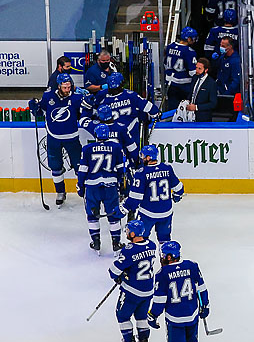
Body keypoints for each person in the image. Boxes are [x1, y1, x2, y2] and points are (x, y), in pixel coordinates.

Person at [148, 241, 209, 342]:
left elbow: (160, 300)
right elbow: (201, 288)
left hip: (175, 318)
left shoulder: (162, 274)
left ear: (169, 256)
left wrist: (152, 315)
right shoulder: (192, 266)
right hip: (192, 314)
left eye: (163, 255)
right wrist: (205, 305)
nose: (162, 258)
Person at [28, 73, 83, 206]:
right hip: (54, 138)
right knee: (55, 167)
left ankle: (84, 190)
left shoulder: (77, 97)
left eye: (69, 87)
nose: (67, 90)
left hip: (72, 138)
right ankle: (60, 191)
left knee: (80, 166)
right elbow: (40, 112)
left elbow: (84, 114)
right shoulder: (48, 96)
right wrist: (34, 107)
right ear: (59, 86)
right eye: (64, 87)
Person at [108, 220, 157, 342]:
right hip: (148, 290)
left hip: (132, 291)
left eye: (128, 231)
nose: (127, 233)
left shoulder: (129, 250)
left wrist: (120, 276)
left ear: (134, 233)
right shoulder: (152, 245)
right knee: (141, 317)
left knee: (122, 316)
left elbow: (113, 271)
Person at [76, 123, 126, 253]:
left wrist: (80, 185)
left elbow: (83, 169)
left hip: (92, 188)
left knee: (92, 215)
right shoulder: (116, 147)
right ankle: (116, 243)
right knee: (114, 215)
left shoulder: (87, 148)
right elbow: (121, 169)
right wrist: (121, 184)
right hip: (110, 187)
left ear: (96, 135)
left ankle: (96, 242)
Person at [122, 145, 183, 242]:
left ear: (148, 157)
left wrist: (124, 208)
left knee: (141, 238)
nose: (142, 158)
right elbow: (179, 188)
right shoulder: (167, 168)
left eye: (143, 156)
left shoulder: (141, 173)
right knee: (164, 240)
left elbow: (135, 198)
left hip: (147, 213)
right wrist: (177, 196)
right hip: (166, 213)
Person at [82, 71, 159, 148]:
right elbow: (149, 107)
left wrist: (87, 109)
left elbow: (92, 113)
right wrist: (156, 115)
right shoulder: (131, 95)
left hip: (111, 132)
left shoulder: (102, 95)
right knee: (131, 150)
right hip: (128, 131)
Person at [164, 27, 198, 109]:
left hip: (170, 82)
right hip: (183, 85)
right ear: (188, 38)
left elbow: (165, 63)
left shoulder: (170, 46)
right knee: (184, 110)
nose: (194, 40)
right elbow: (192, 72)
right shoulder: (189, 51)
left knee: (172, 109)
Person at [211, 37, 241, 121]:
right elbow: (216, 70)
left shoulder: (235, 61)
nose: (221, 47)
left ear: (230, 47)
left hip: (229, 95)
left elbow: (236, 80)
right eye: (220, 45)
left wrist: (227, 93)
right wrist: (214, 60)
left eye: (223, 46)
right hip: (219, 90)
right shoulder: (222, 57)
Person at [186, 58, 217, 123]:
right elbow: (191, 93)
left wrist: (196, 107)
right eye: (196, 68)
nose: (197, 70)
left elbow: (213, 104)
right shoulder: (195, 77)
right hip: (190, 115)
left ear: (206, 70)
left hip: (203, 118)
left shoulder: (211, 83)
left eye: (199, 69)